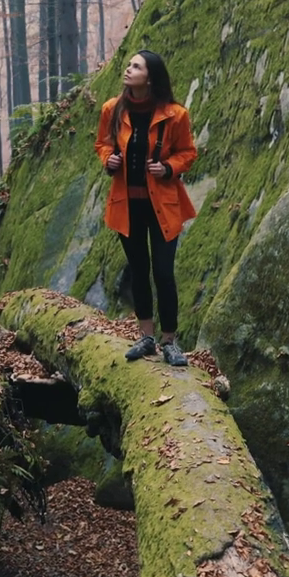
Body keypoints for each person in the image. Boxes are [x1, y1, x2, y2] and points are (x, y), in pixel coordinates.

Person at [95, 50, 198, 366]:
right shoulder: (112, 110)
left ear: (150, 77)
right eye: (128, 65)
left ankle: (170, 341)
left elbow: (188, 153)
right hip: (127, 205)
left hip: (163, 205)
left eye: (135, 66)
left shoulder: (175, 115)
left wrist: (167, 168)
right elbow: (103, 144)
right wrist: (108, 160)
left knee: (164, 273)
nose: (127, 69)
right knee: (138, 270)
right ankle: (146, 337)